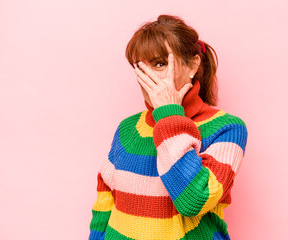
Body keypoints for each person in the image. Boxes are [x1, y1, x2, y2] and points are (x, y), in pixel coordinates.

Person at [88, 14, 248, 240]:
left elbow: (193, 199)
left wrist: (169, 115)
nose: (149, 76)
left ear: (193, 64)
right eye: (141, 67)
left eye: (159, 64)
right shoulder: (128, 128)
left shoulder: (227, 128)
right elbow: (105, 199)